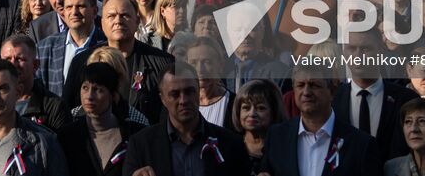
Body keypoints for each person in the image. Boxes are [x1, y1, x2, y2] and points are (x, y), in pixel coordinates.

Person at [121, 63, 249, 176]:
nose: (183, 100)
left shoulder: (231, 144)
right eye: (175, 94)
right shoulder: (140, 145)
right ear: (162, 99)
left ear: (198, 92)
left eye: (189, 92)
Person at [64, 0, 172, 124]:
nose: (118, 21)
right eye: (111, 16)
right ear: (102, 23)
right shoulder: (82, 62)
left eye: (125, 16)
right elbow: (68, 108)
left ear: (137, 21)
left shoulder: (163, 64)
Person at [262, 66, 371, 176]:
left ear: (332, 92)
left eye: (314, 85)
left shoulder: (360, 144)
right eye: (300, 85)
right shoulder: (276, 137)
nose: (306, 92)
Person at [58, 62, 146, 176]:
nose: (89, 96)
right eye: (85, 88)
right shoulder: (67, 136)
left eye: (98, 89)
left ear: (113, 95)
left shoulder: (135, 135)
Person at [38, 0, 105, 97]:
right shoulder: (45, 47)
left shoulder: (106, 45)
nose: (74, 12)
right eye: (69, 7)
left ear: (94, 11)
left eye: (81, 6)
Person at [234, 78, 284, 175]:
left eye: (260, 108)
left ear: (274, 112)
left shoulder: (284, 149)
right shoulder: (228, 145)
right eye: (246, 108)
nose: (252, 114)